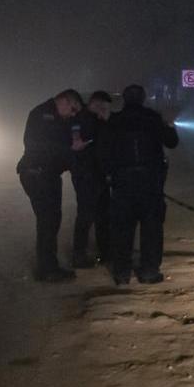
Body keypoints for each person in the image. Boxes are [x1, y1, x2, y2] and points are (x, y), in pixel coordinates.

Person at [100, 84, 178, 285]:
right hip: (150, 181)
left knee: (122, 228)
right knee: (151, 227)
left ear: (124, 99)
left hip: (122, 182)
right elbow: (171, 142)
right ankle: (149, 271)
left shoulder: (114, 121)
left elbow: (104, 152)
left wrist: (110, 174)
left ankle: (121, 273)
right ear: (143, 99)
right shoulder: (153, 118)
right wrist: (169, 125)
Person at [17, 89, 86, 281]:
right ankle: (48, 270)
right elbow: (36, 145)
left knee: (51, 220)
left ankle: (49, 265)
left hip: (48, 174)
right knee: (48, 220)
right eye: (72, 109)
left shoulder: (60, 117)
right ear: (63, 101)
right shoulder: (42, 114)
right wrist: (69, 148)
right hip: (37, 173)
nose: (73, 115)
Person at [70, 90, 113, 267]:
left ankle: (103, 252)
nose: (104, 111)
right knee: (87, 216)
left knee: (101, 215)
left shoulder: (90, 119)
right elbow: (84, 144)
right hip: (88, 175)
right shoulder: (85, 120)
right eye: (103, 107)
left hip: (96, 175)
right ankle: (80, 256)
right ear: (95, 104)